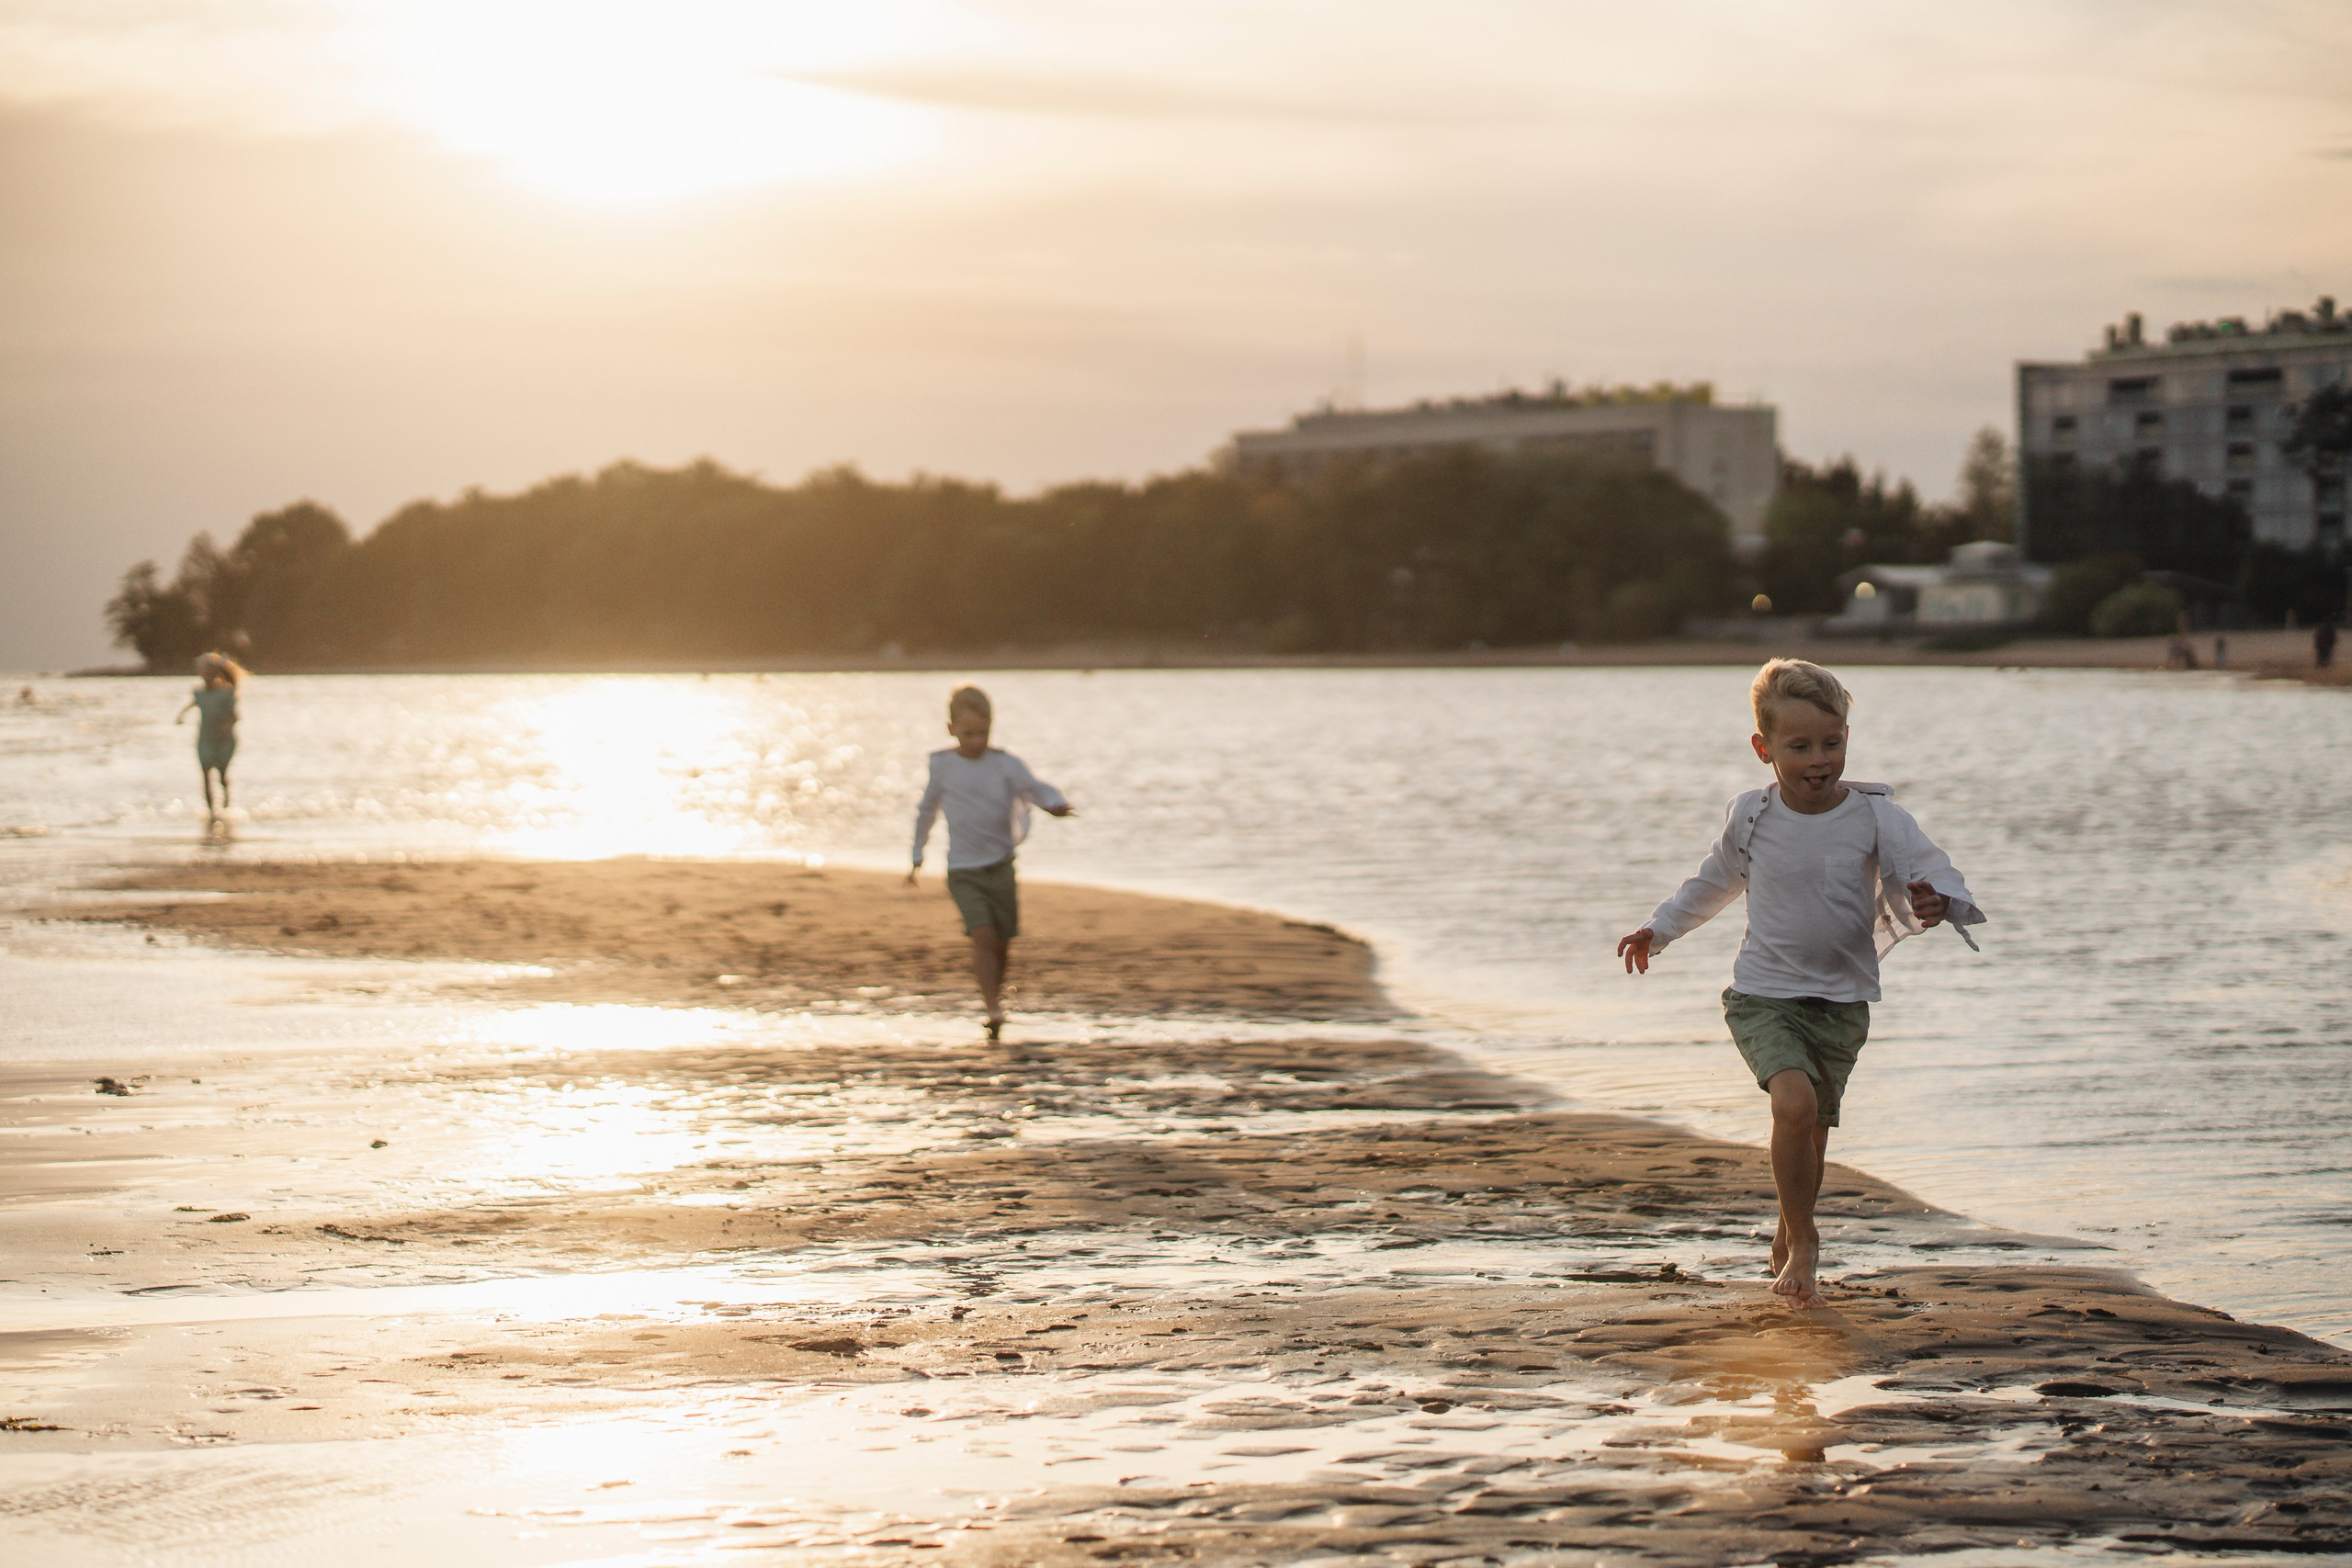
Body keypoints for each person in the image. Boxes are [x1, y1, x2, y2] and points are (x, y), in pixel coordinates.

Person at [1614, 659, 1984, 1311]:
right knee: (1793, 1106)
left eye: (1832, 743)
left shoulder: (1875, 818)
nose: (1820, 759)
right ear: (1765, 749)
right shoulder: (1752, 816)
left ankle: (1788, 1233)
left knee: (1811, 1130)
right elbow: (1712, 883)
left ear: (1847, 736)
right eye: (1800, 746)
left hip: (1841, 1002)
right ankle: (1808, 1241)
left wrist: (1941, 902)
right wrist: (1659, 928)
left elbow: (1932, 867)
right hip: (1764, 994)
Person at [905, 685, 1074, 1040]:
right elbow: (927, 811)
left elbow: (1034, 788)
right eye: (968, 733)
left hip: (1000, 865)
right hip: (963, 870)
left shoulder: (1004, 763)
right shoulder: (942, 764)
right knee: (981, 935)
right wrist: (917, 856)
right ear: (951, 729)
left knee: (1002, 941)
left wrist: (1055, 804)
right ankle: (992, 1008)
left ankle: (996, 997)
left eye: (982, 733)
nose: (976, 740)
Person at [174, 652, 244, 826]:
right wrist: (181, 715)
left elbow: (235, 717)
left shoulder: (226, 693)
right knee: (205, 776)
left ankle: (226, 806)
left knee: (221, 776)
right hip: (205, 739)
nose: (206, 677)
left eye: (209, 673)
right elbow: (192, 704)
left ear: (216, 674)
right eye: (203, 673)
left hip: (224, 740)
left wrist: (227, 726)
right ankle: (213, 813)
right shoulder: (199, 693)